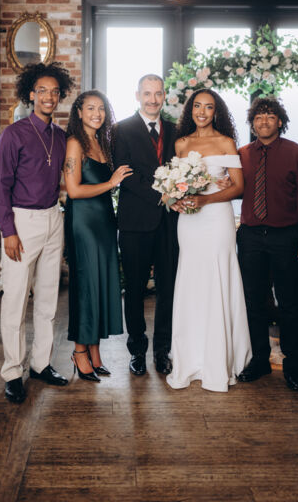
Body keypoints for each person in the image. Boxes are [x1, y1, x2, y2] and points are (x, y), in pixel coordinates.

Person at [0, 62, 73, 404]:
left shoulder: (61, 136)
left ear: (60, 96)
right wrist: (8, 231)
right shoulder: (15, 134)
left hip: (54, 218)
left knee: (48, 297)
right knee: (14, 300)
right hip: (22, 222)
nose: (49, 97)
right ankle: (13, 372)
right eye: (42, 91)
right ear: (31, 94)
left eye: (54, 91)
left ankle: (40, 364)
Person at [166, 90, 251, 392]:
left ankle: (218, 359)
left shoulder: (226, 142)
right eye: (198, 106)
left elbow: (238, 187)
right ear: (190, 110)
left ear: (216, 112)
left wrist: (206, 200)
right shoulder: (181, 144)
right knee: (191, 281)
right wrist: (174, 199)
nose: (202, 112)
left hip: (217, 219)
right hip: (189, 222)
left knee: (218, 278)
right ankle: (190, 358)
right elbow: (174, 185)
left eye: (209, 107)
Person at [237, 97, 298, 392]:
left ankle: (293, 367)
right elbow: (232, 189)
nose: (264, 121)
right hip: (250, 236)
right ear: (252, 123)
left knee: (290, 304)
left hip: (285, 237)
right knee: (254, 302)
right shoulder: (241, 155)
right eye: (258, 117)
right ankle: (260, 360)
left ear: (280, 121)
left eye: (270, 116)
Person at [113, 74, 179, 376]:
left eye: (158, 93)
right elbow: (124, 174)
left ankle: (162, 351)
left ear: (164, 96)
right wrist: (160, 196)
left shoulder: (176, 131)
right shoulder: (121, 130)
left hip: (170, 223)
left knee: (168, 288)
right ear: (137, 95)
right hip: (135, 222)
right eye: (147, 93)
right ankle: (137, 350)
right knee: (135, 288)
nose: (153, 99)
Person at [64, 90, 131, 382]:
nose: (97, 113)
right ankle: (79, 352)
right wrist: (112, 182)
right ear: (79, 112)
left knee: (101, 283)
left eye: (101, 108)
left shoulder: (102, 142)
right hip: (83, 222)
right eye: (90, 108)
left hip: (104, 221)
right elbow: (74, 190)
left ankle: (95, 352)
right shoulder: (75, 143)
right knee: (86, 285)